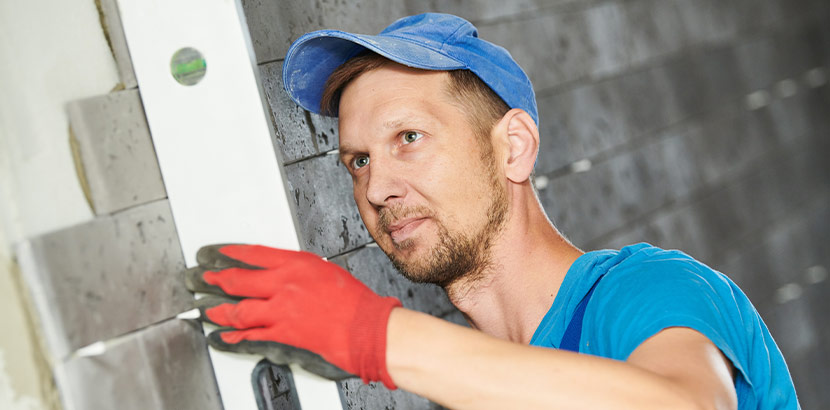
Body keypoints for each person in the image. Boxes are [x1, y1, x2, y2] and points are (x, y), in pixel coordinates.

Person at [185, 13, 799, 409]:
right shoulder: (474, 391)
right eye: (359, 161)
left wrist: (374, 336)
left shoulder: (646, 288)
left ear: (514, 147)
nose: (376, 190)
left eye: (409, 138)